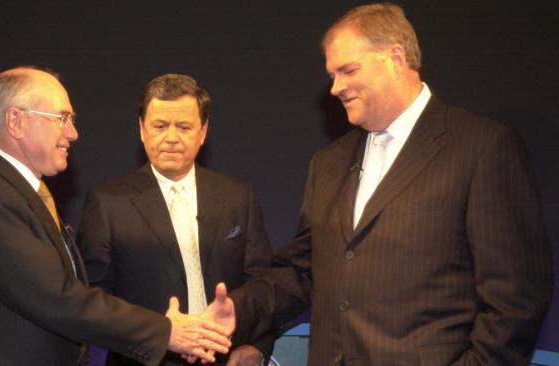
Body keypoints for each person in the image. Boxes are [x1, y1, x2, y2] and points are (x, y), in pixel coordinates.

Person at [231, 3, 553, 365]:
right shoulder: (328, 163)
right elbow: (303, 271)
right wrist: (234, 314)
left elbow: (515, 301)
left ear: (396, 58)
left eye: (347, 70)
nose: (335, 87)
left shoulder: (483, 147)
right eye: (332, 75)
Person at [0, 66, 235, 366]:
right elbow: (58, 297)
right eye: (62, 118)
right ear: (16, 121)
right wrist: (166, 331)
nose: (73, 133)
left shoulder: (18, 193)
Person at [77, 73, 275, 366]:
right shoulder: (107, 202)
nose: (171, 138)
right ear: (142, 129)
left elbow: (262, 282)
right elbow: (94, 300)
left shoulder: (238, 194)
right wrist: (161, 333)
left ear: (203, 132)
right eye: (159, 126)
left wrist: (256, 347)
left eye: (183, 126)